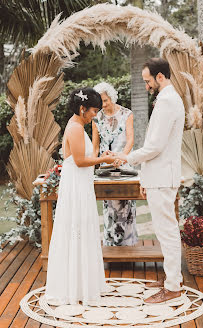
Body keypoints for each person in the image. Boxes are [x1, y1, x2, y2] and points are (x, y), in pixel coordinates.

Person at [115, 58, 185, 304]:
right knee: (165, 230)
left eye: (147, 81)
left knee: (166, 232)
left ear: (160, 77)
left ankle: (173, 286)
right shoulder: (169, 99)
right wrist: (144, 177)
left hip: (164, 177)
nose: (146, 86)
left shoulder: (167, 101)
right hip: (159, 176)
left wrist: (127, 157)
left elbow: (155, 146)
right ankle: (171, 278)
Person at [45, 87, 115, 306]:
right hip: (75, 185)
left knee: (84, 229)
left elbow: (88, 156)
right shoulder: (74, 128)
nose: (96, 114)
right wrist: (104, 161)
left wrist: (101, 153)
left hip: (81, 184)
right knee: (76, 229)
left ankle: (83, 284)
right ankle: (75, 288)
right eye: (94, 110)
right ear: (82, 108)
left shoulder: (79, 125)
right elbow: (79, 161)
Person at [92, 82, 138, 246]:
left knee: (126, 204)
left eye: (105, 100)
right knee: (109, 207)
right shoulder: (96, 118)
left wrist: (123, 156)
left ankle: (129, 245)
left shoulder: (127, 114)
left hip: (125, 166)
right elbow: (95, 146)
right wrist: (93, 165)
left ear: (111, 97)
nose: (103, 105)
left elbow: (131, 138)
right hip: (106, 168)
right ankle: (111, 246)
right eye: (99, 102)